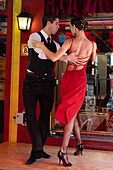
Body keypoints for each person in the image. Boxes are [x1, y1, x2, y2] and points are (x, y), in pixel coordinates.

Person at [32, 16, 97, 166]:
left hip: (68, 80)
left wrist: (42, 46)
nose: (69, 30)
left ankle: (64, 150)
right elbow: (93, 61)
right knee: (71, 113)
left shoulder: (69, 42)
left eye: (70, 27)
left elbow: (54, 58)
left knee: (71, 114)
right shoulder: (92, 45)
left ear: (75, 27)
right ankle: (74, 146)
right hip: (80, 80)